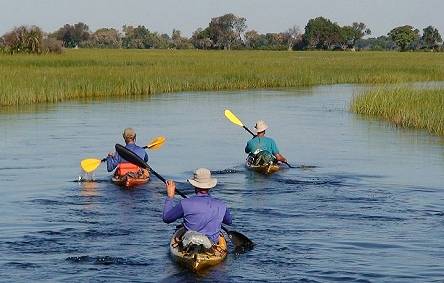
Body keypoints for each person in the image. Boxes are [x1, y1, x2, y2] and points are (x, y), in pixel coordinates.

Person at [163, 168, 232, 245]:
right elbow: (229, 222)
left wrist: (170, 197)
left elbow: (166, 218)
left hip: (190, 244)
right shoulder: (222, 205)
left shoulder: (184, 203)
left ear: (194, 185)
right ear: (210, 186)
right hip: (212, 244)